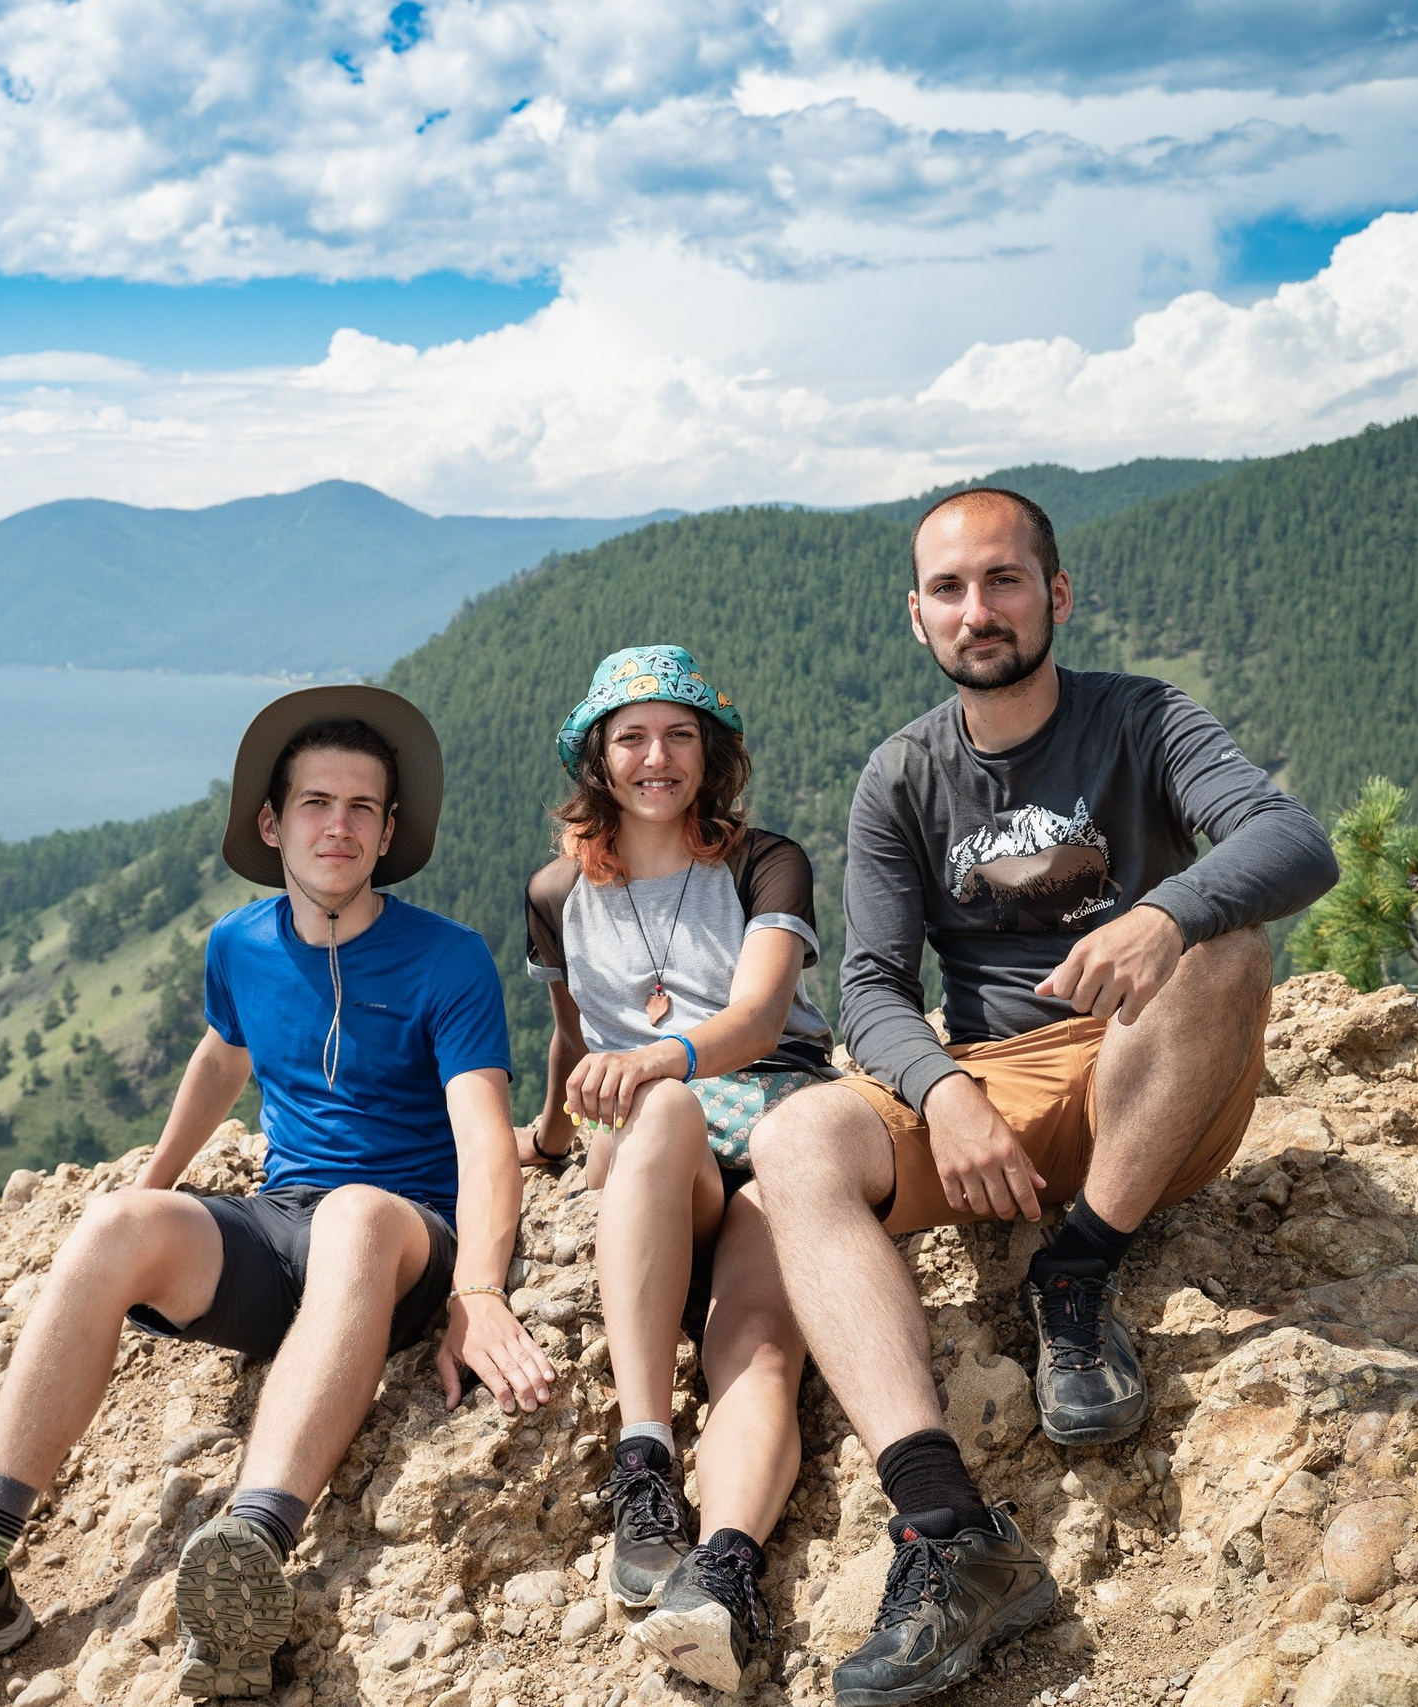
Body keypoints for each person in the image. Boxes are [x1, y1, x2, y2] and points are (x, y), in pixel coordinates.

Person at [0, 686, 556, 1707]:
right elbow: (221, 1056)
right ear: (272, 823)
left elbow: (482, 1135)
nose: (338, 826)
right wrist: (147, 1193)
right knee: (112, 1224)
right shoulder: (239, 944)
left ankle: (250, 1552)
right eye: (315, 803)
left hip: (399, 1240)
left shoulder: (447, 958)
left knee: (353, 1214)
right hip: (283, 1227)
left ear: (389, 833)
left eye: (361, 808)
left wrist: (478, 1289)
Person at [750, 488, 1339, 1706]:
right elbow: (868, 987)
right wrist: (943, 1091)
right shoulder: (902, 775)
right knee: (797, 1136)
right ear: (917, 616)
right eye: (950, 590)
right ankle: (947, 1531)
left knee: (1223, 947)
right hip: (991, 1088)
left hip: (1146, 1074)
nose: (979, 610)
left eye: (1003, 580)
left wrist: (1166, 914)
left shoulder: (1142, 719)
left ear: (1055, 594)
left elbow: (1294, 841)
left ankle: (1076, 1274)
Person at [513, 645, 834, 1693]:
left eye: (680, 735)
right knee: (656, 1116)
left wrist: (657, 1058)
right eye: (633, 738)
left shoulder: (762, 861)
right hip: (659, 1143)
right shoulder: (556, 891)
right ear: (597, 758)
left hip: (777, 1117)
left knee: (760, 1344)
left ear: (711, 752)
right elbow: (571, 1039)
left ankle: (723, 1568)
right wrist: (546, 1138)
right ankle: (644, 1454)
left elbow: (760, 1018)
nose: (657, 757)